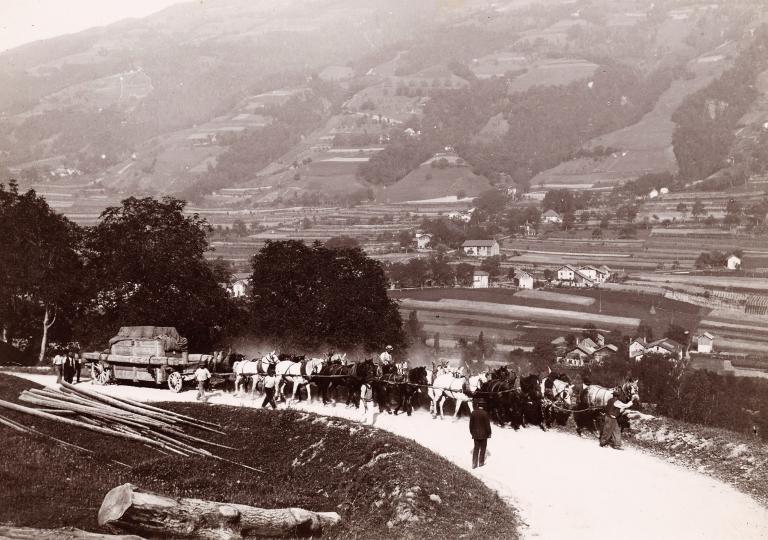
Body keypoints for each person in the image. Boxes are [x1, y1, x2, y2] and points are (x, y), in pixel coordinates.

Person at [469, 399, 492, 468]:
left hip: (475, 434)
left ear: (477, 405)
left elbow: (470, 425)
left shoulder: (473, 413)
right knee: (483, 449)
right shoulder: (485, 413)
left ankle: (474, 464)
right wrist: (489, 433)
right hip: (484, 435)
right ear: (483, 406)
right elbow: (487, 425)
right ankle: (481, 463)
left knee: (476, 449)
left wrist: (472, 433)